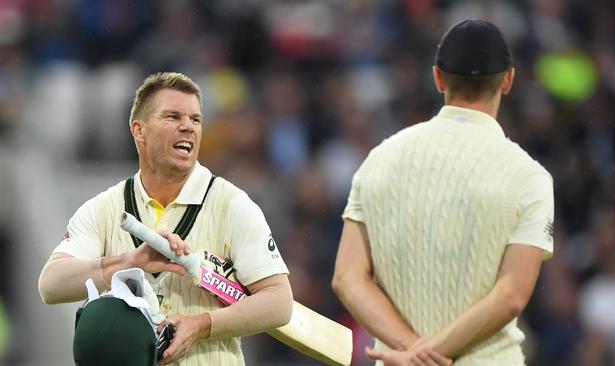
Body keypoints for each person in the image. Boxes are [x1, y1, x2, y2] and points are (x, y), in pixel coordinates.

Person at [332, 20, 554, 366]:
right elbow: (511, 296)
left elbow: (348, 277)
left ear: (438, 78)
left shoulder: (380, 159)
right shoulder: (529, 177)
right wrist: (429, 355)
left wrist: (412, 352)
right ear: (508, 79)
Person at [38, 72, 293, 365]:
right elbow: (51, 285)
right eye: (173, 117)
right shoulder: (102, 209)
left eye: (196, 120)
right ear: (139, 130)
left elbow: (279, 302)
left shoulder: (232, 205)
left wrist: (201, 325)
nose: (188, 127)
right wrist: (130, 262)